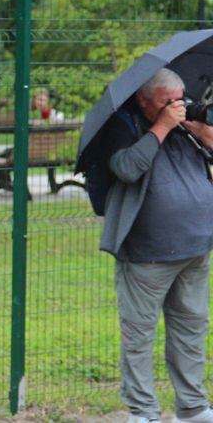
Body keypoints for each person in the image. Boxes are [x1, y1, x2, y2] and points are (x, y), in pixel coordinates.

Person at [99, 68, 213, 423]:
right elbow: (126, 168)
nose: (177, 107)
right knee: (139, 334)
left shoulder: (187, 125)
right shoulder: (122, 125)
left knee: (191, 330)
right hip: (147, 254)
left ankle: (192, 408)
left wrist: (205, 134)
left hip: (195, 247)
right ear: (144, 100)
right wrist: (161, 127)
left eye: (180, 100)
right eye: (167, 102)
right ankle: (143, 412)